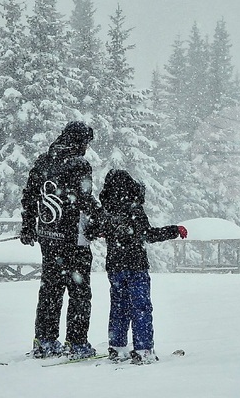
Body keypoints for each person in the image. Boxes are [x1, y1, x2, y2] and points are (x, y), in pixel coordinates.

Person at [85, 169, 187, 364]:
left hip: (115, 267)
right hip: (135, 265)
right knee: (140, 308)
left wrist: (104, 231)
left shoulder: (106, 210)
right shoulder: (134, 209)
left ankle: (117, 347)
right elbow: (149, 234)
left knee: (119, 308)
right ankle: (143, 349)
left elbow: (92, 230)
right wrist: (174, 230)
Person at [20, 121, 100, 359]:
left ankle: (44, 340)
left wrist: (28, 225)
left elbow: (29, 196)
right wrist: (103, 218)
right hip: (74, 238)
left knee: (50, 290)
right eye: (86, 143)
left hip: (49, 236)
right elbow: (84, 199)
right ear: (80, 141)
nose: (86, 148)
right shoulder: (79, 164)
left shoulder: (43, 161)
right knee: (79, 292)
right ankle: (77, 343)